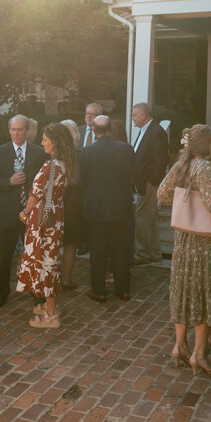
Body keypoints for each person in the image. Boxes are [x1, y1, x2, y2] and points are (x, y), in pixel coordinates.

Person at [157, 125, 211, 374]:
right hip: (207, 244)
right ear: (204, 145)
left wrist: (187, 197)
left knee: (185, 293)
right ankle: (199, 354)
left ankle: (180, 346)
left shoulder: (183, 165)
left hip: (185, 239)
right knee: (204, 295)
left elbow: (162, 194)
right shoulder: (207, 167)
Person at [0, 114, 49, 308]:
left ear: (27, 130)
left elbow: (45, 182)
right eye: (13, 130)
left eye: (20, 130)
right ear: (9, 130)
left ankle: (36, 291)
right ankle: (1, 292)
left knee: (34, 254)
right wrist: (9, 181)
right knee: (4, 255)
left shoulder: (39, 152)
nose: (16, 133)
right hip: (7, 212)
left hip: (31, 212)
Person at [17, 123, 74, 328]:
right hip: (55, 219)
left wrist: (25, 213)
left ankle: (51, 315)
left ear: (55, 143)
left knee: (44, 264)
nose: (42, 143)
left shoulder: (50, 166)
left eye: (45, 140)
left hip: (42, 223)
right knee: (50, 261)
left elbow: (34, 196)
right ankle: (50, 308)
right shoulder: (65, 164)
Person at [79, 115, 134, 302]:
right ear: (110, 128)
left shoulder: (86, 152)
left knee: (98, 250)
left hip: (96, 208)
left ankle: (99, 290)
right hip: (119, 206)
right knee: (120, 248)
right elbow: (132, 177)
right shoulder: (126, 149)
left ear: (94, 130)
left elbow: (81, 181)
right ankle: (123, 289)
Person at [130, 102, 169, 265]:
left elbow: (161, 160)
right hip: (143, 183)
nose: (132, 118)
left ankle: (142, 254)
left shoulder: (156, 132)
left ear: (143, 115)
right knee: (149, 219)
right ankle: (154, 254)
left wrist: (151, 182)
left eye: (134, 115)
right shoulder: (145, 131)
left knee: (142, 220)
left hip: (149, 184)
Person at [59, 119, 84, 289]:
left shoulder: (52, 154)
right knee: (70, 243)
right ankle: (66, 279)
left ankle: (55, 279)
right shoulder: (80, 154)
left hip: (61, 201)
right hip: (74, 201)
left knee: (57, 241)